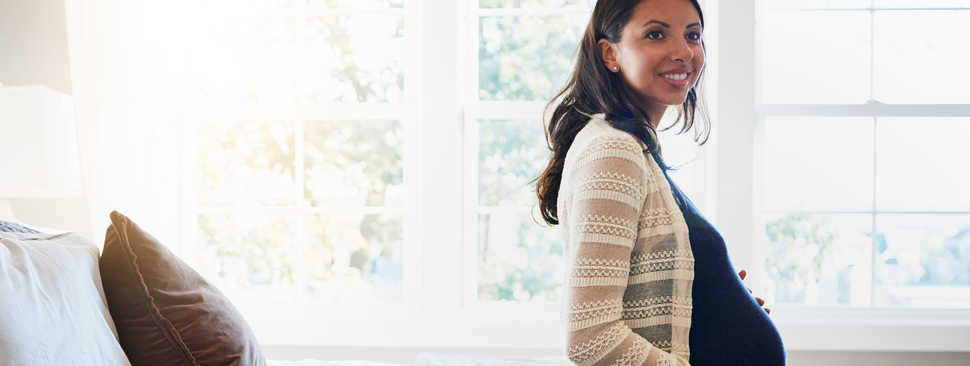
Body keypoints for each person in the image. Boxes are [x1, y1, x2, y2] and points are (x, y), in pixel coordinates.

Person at [535, 0, 785, 365]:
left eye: (693, 35)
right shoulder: (613, 149)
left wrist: (711, 298)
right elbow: (589, 337)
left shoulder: (634, 146)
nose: (684, 52)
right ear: (610, 54)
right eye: (656, 34)